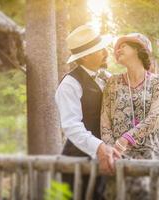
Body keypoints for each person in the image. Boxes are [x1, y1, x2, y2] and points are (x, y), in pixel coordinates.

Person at [55, 24, 120, 199]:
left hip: (105, 158)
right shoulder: (69, 85)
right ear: (85, 57)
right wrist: (99, 147)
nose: (105, 52)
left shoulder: (106, 77)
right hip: (77, 162)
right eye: (99, 49)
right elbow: (71, 126)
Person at [101, 33, 159, 199]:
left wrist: (126, 138)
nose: (118, 49)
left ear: (139, 50)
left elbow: (155, 116)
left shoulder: (157, 82)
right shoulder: (113, 82)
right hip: (119, 156)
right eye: (117, 47)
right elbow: (105, 121)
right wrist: (111, 149)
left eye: (124, 45)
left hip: (150, 155)